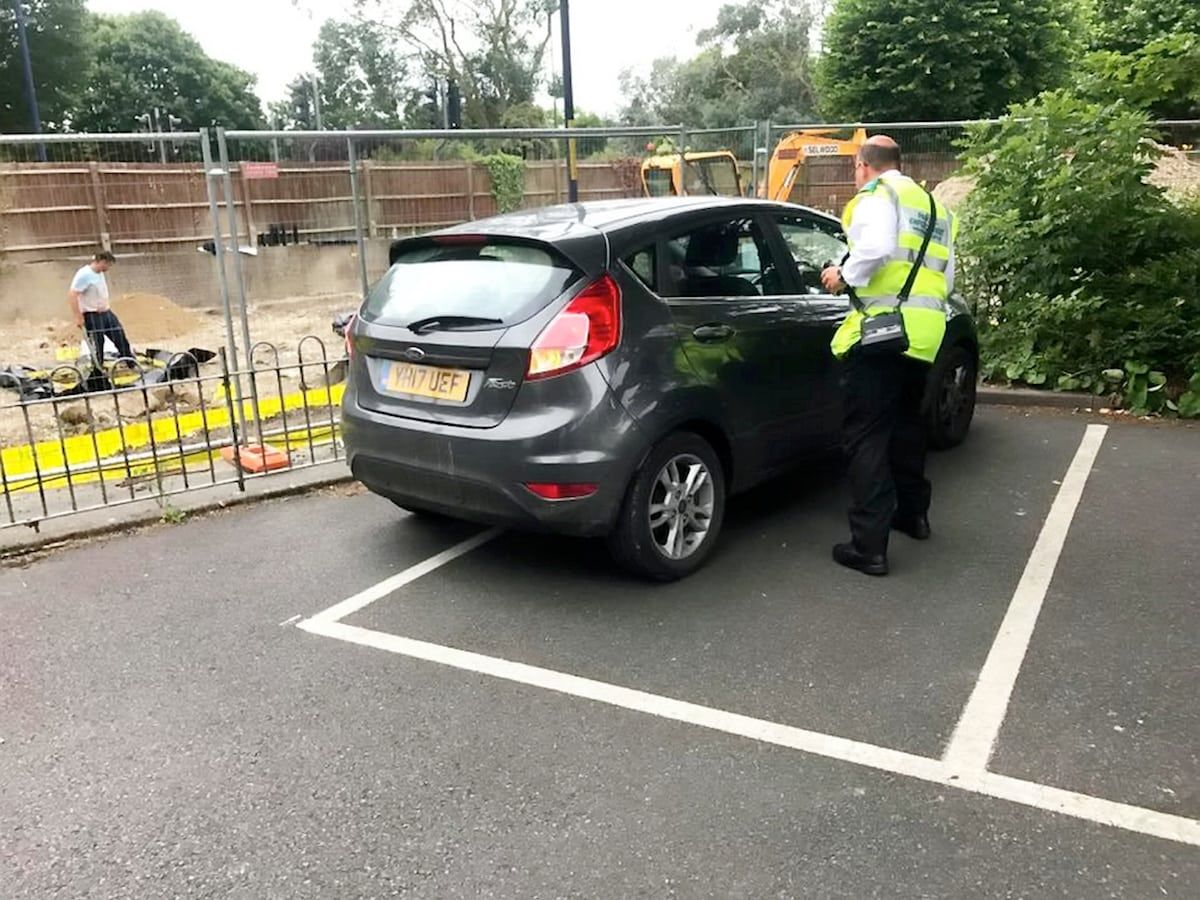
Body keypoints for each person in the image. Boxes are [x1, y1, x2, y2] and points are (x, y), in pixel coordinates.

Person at [820, 136, 958, 577]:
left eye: (855, 169)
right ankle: (912, 515)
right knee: (906, 426)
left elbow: (875, 250)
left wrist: (842, 275)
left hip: (881, 332)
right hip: (925, 333)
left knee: (866, 436)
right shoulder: (935, 209)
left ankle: (869, 546)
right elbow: (947, 278)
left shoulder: (877, 196)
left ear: (863, 166)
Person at [68, 250, 134, 371]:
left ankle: (130, 362)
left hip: (106, 312)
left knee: (119, 335)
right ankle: (98, 369)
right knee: (98, 343)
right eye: (108, 265)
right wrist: (78, 316)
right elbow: (72, 294)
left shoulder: (99, 273)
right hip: (92, 315)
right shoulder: (84, 274)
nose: (108, 268)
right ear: (102, 262)